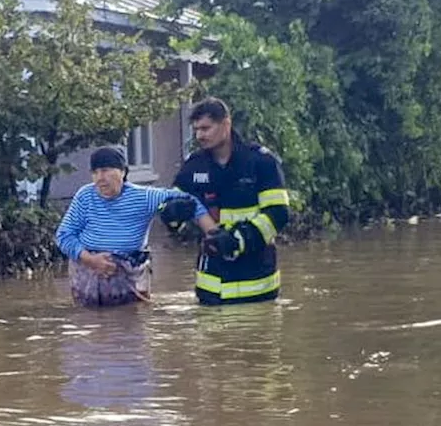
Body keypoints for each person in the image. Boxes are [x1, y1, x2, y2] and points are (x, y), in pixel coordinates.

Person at [162, 97, 292, 306]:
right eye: (196, 130)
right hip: (211, 291)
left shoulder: (260, 162)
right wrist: (172, 212)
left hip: (257, 288)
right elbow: (169, 209)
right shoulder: (194, 166)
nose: (200, 136)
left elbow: (278, 213)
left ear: (226, 124)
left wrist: (238, 239)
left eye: (206, 128)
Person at [56, 146, 215, 307]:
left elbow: (191, 202)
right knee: (90, 320)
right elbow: (64, 235)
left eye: (105, 170)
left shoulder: (144, 197)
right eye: (95, 172)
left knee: (133, 319)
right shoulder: (85, 196)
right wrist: (90, 260)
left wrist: (213, 234)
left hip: (130, 275)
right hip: (88, 273)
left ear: (123, 172)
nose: (99, 178)